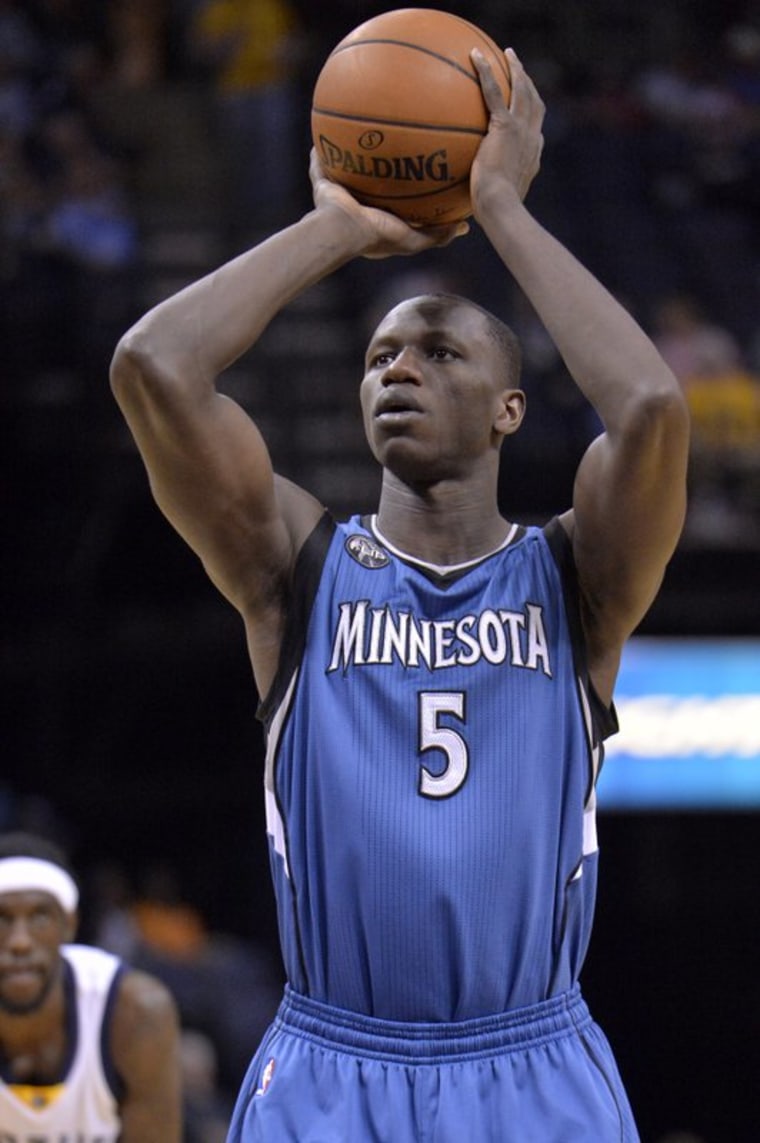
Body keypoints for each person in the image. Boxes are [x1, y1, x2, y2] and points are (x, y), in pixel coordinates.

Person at [110, 45, 690, 1142]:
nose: (396, 368)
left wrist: (500, 208)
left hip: (532, 1060)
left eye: (435, 351)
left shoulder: (575, 577)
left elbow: (652, 410)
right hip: (332, 1063)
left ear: (510, 411)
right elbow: (153, 367)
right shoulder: (296, 567)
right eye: (378, 355)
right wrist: (340, 225)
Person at [0, 831, 182, 1142]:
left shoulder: (134, 1012)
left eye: (39, 917)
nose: (19, 942)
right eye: (1, 919)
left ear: (68, 925)